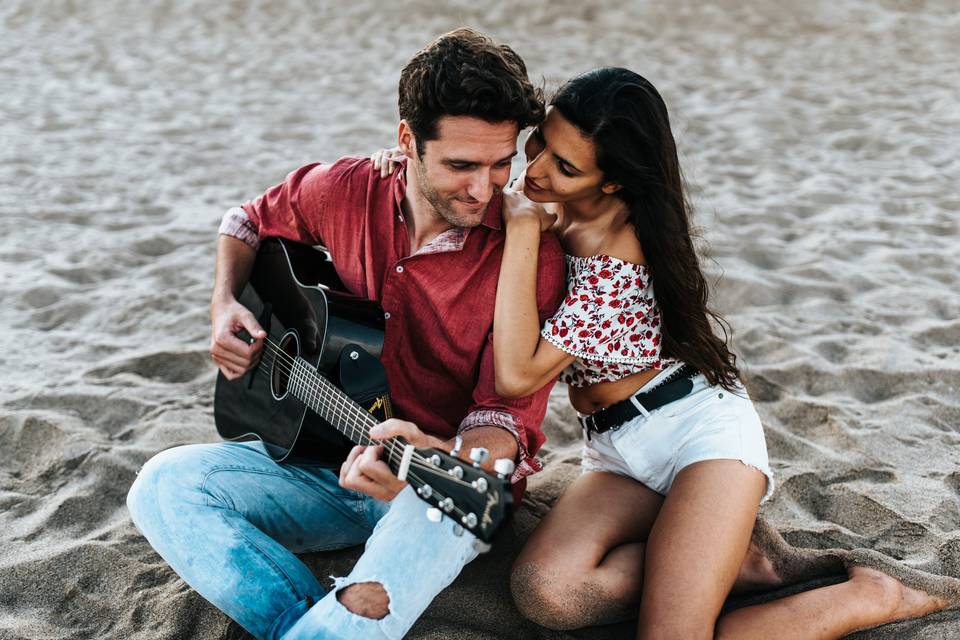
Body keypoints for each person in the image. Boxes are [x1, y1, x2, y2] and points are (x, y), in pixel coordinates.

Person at [374, 66, 956, 638]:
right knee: (546, 592)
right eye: (541, 144)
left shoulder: (618, 260)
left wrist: (525, 231)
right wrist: (394, 164)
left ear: (612, 183)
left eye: (565, 167)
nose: (537, 170)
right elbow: (451, 171)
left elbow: (518, 373)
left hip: (698, 440)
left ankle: (871, 594)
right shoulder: (558, 204)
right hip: (614, 447)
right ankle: (729, 562)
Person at [125, 29, 567, 640]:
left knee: (375, 599)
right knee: (161, 486)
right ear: (407, 140)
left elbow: (505, 415)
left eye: (501, 164)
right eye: (461, 165)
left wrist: (434, 457)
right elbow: (247, 221)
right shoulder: (345, 190)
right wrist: (224, 303)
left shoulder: (530, 258)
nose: (484, 189)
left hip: (442, 488)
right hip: (324, 461)